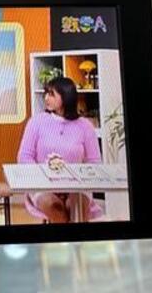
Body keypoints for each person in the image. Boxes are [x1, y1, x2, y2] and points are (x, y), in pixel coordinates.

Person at [17, 76, 102, 223]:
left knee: (77, 206)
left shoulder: (85, 126)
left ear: (66, 97)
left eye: (51, 94)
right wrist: (44, 178)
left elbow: (94, 162)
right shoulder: (36, 122)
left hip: (77, 185)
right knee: (54, 206)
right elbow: (24, 157)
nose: (46, 98)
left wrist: (78, 180)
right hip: (42, 184)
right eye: (46, 93)